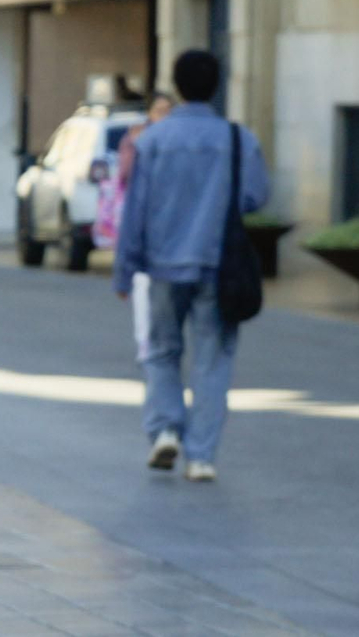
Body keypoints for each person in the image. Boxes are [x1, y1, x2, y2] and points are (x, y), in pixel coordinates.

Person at [113, 53, 268, 483]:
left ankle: (165, 430)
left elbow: (135, 212)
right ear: (216, 85)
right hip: (219, 265)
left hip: (162, 265)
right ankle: (201, 455)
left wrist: (125, 271)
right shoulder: (238, 139)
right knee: (213, 359)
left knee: (161, 351)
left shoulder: (153, 140)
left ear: (177, 87)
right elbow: (256, 195)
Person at [98, 92, 175, 361]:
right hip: (143, 227)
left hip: (172, 231)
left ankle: (162, 341)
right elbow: (125, 176)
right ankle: (145, 341)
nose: (163, 115)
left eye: (168, 110)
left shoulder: (179, 142)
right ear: (150, 114)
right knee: (143, 286)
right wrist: (136, 144)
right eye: (159, 110)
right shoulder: (137, 139)